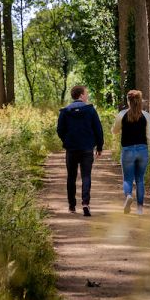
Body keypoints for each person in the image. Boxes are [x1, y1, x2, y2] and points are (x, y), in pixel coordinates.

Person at [57, 85, 104, 216]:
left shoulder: (65, 111)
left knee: (71, 177)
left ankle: (72, 206)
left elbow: (60, 130)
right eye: (86, 93)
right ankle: (85, 203)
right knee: (86, 176)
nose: (87, 95)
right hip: (87, 148)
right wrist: (99, 146)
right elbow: (98, 129)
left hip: (71, 149)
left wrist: (66, 141)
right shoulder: (90, 110)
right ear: (81, 95)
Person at [111, 89, 150, 215]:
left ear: (128, 101)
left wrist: (115, 127)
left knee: (127, 179)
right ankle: (140, 209)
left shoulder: (122, 114)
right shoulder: (146, 116)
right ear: (140, 101)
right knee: (140, 180)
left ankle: (128, 196)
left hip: (127, 150)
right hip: (143, 150)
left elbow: (114, 131)